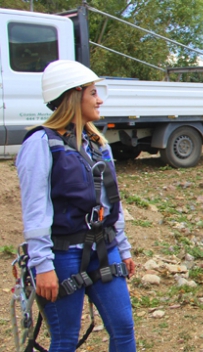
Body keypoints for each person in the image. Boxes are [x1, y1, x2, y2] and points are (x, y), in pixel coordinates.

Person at [16, 60, 136, 351]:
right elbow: (35, 210)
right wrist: (43, 266)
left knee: (124, 329)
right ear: (73, 95)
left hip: (104, 250)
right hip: (62, 256)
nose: (99, 99)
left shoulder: (98, 144)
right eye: (93, 93)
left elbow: (111, 202)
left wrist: (123, 247)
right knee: (65, 339)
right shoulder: (41, 144)